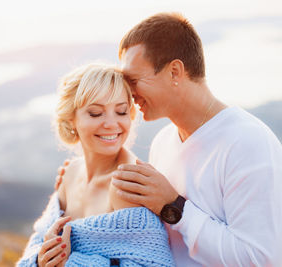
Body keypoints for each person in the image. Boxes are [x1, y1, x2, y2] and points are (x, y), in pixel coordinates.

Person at [57, 13, 282, 266]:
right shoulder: (163, 143)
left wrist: (173, 207)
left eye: (134, 80)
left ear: (174, 71)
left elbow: (262, 259)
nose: (129, 93)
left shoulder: (248, 142)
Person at [17, 63, 175, 266]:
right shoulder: (70, 173)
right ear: (71, 119)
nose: (111, 124)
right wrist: (41, 260)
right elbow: (39, 241)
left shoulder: (129, 184)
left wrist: (71, 263)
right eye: (95, 113)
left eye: (121, 111)